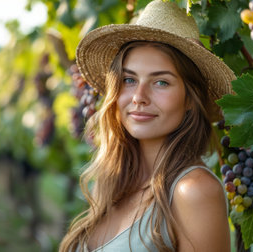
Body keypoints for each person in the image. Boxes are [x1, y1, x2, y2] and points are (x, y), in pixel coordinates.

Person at [60, 0, 236, 251]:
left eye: (161, 82)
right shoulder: (113, 184)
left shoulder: (194, 192)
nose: (138, 96)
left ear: (190, 98)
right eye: (129, 79)